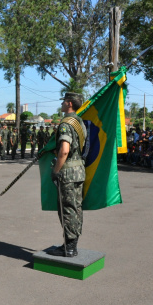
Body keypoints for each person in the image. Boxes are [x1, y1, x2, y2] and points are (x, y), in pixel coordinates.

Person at [49, 93, 87, 257]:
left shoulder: (66, 124)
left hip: (68, 173)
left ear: (69, 103)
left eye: (64, 101)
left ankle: (70, 248)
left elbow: (64, 151)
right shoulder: (80, 122)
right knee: (76, 208)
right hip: (79, 171)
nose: (62, 104)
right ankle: (71, 243)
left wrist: (56, 171)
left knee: (67, 210)